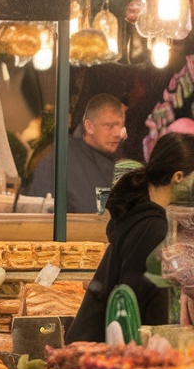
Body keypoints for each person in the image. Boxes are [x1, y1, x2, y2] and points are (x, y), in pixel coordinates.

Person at [66, 132, 194, 344]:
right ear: (178, 177)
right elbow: (142, 307)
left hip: (90, 342)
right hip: (103, 354)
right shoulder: (154, 229)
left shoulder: (139, 211)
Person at [22, 94, 126, 213]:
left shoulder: (118, 161)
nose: (118, 133)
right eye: (109, 125)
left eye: (120, 125)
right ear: (89, 126)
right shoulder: (59, 158)